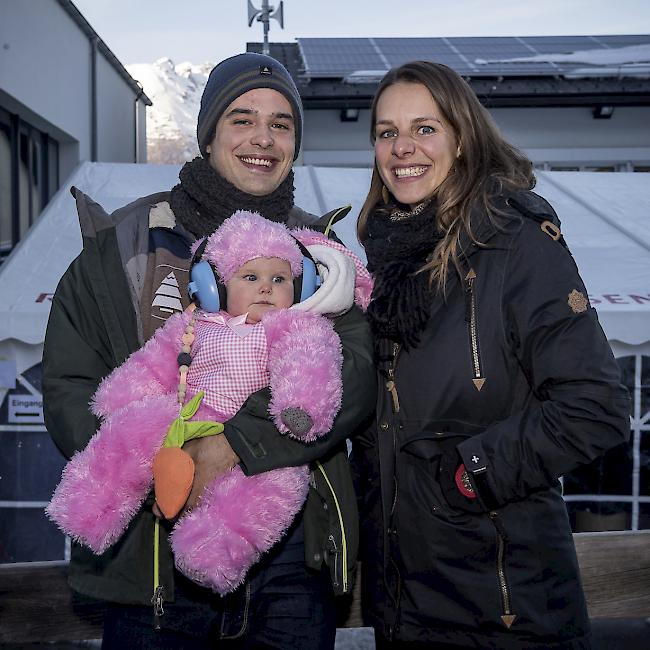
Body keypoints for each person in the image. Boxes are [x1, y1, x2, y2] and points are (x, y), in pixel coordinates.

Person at [42, 52, 376, 649]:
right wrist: (160, 460)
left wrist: (231, 447)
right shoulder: (123, 243)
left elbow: (352, 378)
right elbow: (70, 382)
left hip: (292, 560)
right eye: (242, 118)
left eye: (281, 124)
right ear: (208, 134)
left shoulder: (322, 258)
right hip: (153, 563)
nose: (263, 139)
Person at [353, 60, 630, 649]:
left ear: (463, 137)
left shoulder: (515, 239)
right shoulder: (380, 259)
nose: (403, 148)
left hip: (505, 606)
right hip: (405, 605)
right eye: (386, 131)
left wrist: (468, 477)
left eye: (425, 128)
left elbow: (595, 406)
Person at [47, 210, 373, 598]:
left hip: (273, 467)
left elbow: (312, 367)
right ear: (213, 286)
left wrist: (296, 409)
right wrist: (125, 403)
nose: (266, 288)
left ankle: (214, 553)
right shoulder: (191, 324)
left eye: (280, 279)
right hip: (184, 420)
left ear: (302, 288)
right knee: (132, 428)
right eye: (250, 278)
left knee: (274, 487)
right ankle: (91, 508)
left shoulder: (298, 325)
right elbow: (153, 366)